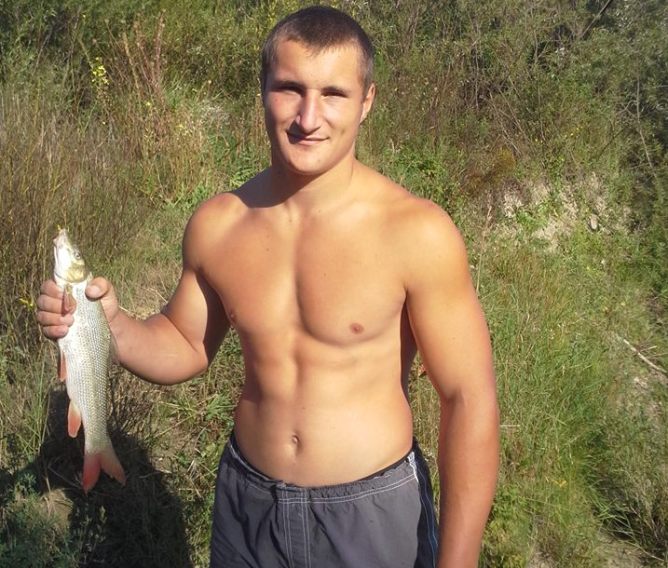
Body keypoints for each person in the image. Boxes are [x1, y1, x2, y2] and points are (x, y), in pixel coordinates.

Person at [37, 6, 499, 567]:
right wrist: (108, 324)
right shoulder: (219, 225)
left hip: (371, 513)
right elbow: (183, 344)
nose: (309, 116)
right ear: (262, 91)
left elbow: (468, 400)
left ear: (367, 101)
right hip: (248, 507)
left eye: (334, 93)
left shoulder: (416, 232)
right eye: (290, 88)